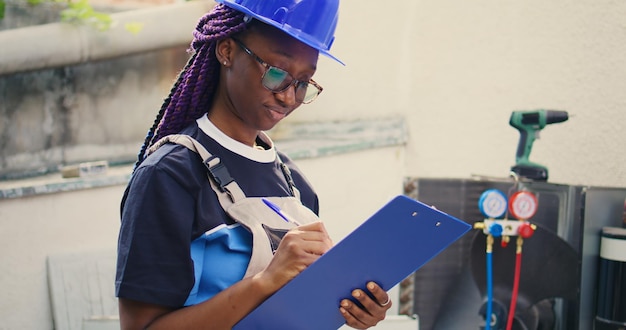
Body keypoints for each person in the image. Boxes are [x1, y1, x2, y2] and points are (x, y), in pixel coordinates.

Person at [115, 0, 392, 329]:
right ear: (227, 50)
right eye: (277, 73)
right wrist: (264, 282)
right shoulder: (169, 175)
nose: (288, 97)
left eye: (303, 84)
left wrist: (348, 306)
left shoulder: (295, 186)